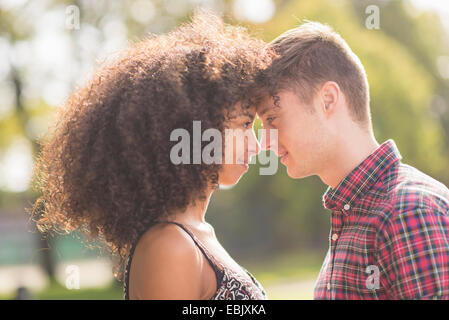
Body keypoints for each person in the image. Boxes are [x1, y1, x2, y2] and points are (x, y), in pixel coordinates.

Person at [30, 11, 273, 300]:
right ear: (195, 127)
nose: (256, 146)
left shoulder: (192, 234)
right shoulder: (170, 245)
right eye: (245, 125)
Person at [254, 21, 449, 299]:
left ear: (328, 100)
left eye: (272, 119)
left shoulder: (410, 211)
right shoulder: (352, 216)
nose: (266, 142)